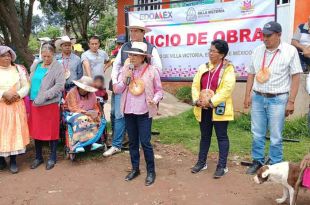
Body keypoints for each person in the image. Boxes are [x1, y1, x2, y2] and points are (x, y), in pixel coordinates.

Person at [244, 21, 303, 175]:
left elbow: (296, 76)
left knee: (276, 135)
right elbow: (251, 73)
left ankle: (276, 164)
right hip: (258, 97)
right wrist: (247, 95)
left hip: (278, 99)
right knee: (257, 132)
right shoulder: (257, 51)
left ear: (279, 35)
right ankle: (257, 161)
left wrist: (291, 101)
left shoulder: (290, 51)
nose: (265, 38)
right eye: (263, 35)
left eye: (268, 35)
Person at [104, 20, 162, 157]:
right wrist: (118, 80)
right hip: (124, 86)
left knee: (142, 116)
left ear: (143, 32)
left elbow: (158, 69)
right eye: (131, 30)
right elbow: (117, 65)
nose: (132, 33)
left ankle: (142, 144)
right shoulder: (124, 47)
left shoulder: (151, 48)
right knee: (119, 115)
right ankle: (117, 145)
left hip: (142, 91)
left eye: (136, 30)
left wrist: (145, 80)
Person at [114, 42, 163, 186]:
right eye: (130, 55)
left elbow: (159, 90)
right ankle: (135, 169)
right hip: (129, 110)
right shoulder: (126, 69)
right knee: (133, 142)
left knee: (145, 142)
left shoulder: (151, 70)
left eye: (135, 55)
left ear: (143, 57)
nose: (132, 57)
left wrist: (155, 100)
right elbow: (117, 89)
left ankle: (151, 171)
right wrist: (125, 78)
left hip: (144, 111)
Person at [191, 40, 236, 178]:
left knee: (221, 137)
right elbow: (195, 85)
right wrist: (197, 101)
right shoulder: (203, 67)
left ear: (221, 54)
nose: (210, 53)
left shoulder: (228, 68)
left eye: (213, 51)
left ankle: (222, 166)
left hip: (218, 108)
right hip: (203, 108)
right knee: (205, 136)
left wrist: (211, 102)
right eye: (209, 50)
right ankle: (201, 162)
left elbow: (227, 89)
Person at [29, 43, 65, 170]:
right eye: (44, 56)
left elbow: (60, 85)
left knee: (51, 131)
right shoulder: (36, 65)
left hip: (49, 104)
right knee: (36, 130)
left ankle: (52, 157)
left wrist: (44, 96)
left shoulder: (58, 67)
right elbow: (31, 80)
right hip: (34, 103)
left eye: (49, 56)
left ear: (53, 55)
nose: (46, 59)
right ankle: (38, 157)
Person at [0, 46, 30, 174]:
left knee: (14, 132)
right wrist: (3, 94)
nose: (7, 57)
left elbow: (26, 85)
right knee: (1, 133)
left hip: (16, 105)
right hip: (1, 106)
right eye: (3, 55)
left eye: (9, 55)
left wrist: (17, 95)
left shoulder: (18, 69)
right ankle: (1, 159)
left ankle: (13, 160)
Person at [64, 76, 103, 152]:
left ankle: (91, 142)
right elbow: (73, 108)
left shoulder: (92, 94)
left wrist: (95, 113)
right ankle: (78, 145)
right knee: (83, 119)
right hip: (72, 113)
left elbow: (95, 107)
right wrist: (86, 113)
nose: (85, 90)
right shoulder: (72, 92)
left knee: (96, 119)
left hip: (88, 113)